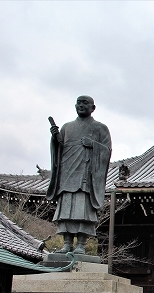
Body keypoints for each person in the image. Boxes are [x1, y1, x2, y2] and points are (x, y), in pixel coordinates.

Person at [46, 95, 112, 254]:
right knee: (66, 211)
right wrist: (55, 139)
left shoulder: (100, 128)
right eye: (79, 103)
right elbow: (59, 151)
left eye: (85, 103)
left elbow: (107, 151)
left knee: (82, 211)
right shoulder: (66, 127)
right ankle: (67, 244)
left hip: (85, 176)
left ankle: (81, 245)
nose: (81, 106)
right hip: (67, 174)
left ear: (93, 108)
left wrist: (93, 145)